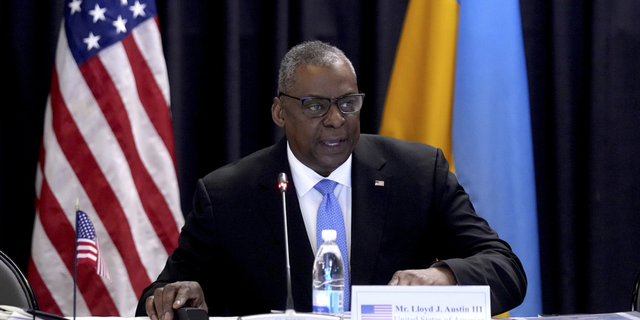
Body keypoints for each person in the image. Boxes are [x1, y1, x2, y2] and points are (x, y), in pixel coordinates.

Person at [135, 41, 527, 319]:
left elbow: (506, 270)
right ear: (279, 112)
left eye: (347, 104)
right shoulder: (226, 196)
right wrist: (177, 297)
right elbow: (159, 298)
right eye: (315, 106)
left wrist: (443, 276)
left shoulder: (418, 174)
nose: (336, 119)